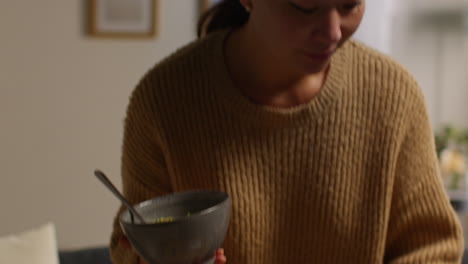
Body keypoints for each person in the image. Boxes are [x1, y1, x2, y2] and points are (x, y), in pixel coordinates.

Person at [110, 0, 465, 263]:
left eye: (349, 4)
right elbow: (131, 248)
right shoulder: (164, 100)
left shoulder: (393, 95)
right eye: (305, 6)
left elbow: (432, 250)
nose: (332, 31)